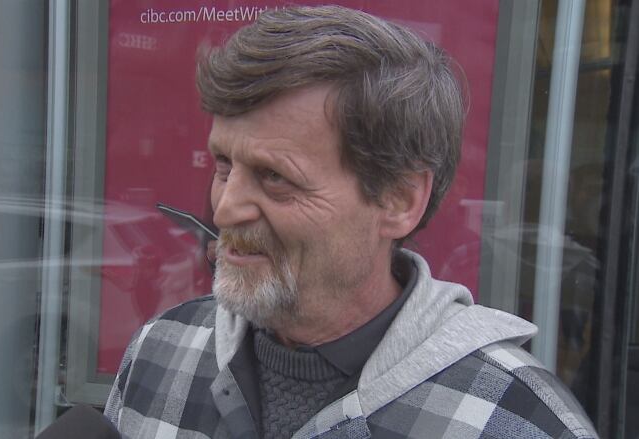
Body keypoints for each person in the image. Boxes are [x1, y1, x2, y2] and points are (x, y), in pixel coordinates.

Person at [104, 5, 597, 438]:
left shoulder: (517, 420)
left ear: (399, 200)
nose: (226, 208)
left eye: (275, 177)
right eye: (224, 166)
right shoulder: (159, 353)